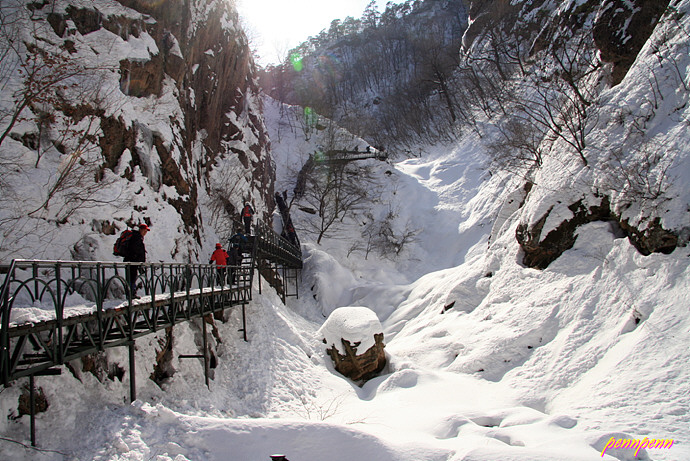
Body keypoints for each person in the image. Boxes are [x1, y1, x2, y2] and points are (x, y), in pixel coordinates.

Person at [124, 223, 149, 298]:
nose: (145, 232)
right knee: (131, 277)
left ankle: (131, 293)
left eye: (146, 231)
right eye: (144, 230)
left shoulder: (137, 237)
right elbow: (135, 250)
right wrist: (137, 259)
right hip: (132, 261)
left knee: (132, 277)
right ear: (140, 230)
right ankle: (131, 294)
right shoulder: (136, 237)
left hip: (132, 261)